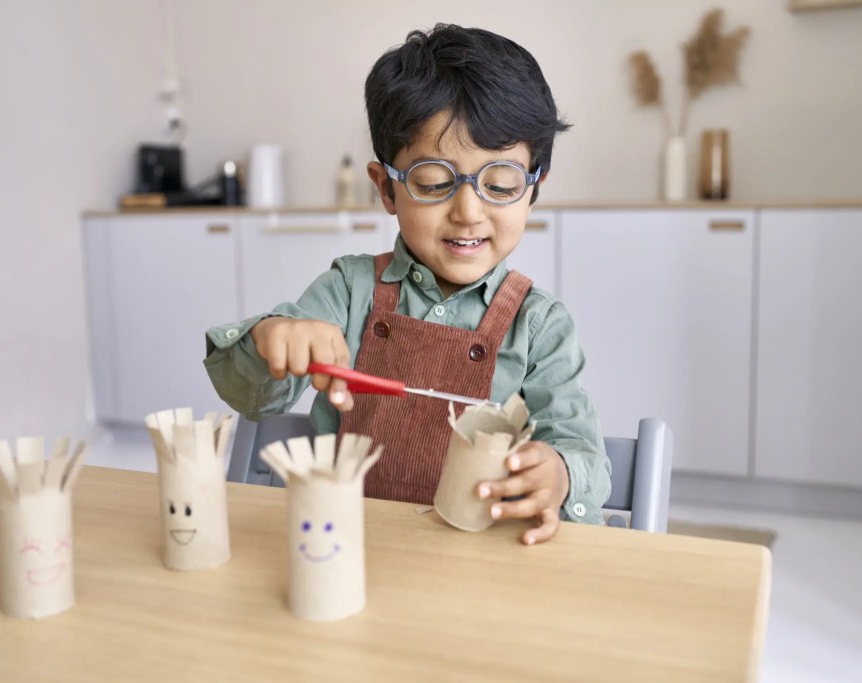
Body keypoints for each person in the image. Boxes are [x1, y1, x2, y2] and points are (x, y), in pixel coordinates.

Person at [204, 23, 610, 545]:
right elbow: (254, 396)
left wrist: (558, 473)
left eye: (501, 184)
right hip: (346, 550)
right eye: (435, 182)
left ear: (533, 191)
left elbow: (581, 454)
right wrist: (273, 340)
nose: (468, 212)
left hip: (481, 571)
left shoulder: (541, 326)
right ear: (386, 189)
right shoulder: (349, 292)